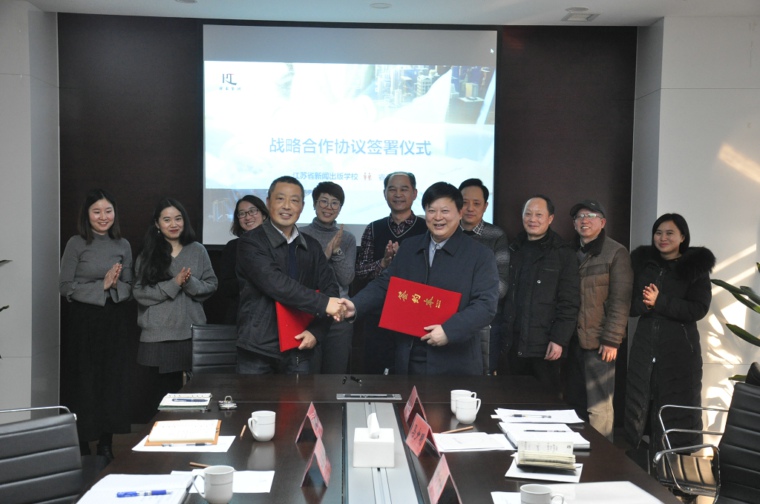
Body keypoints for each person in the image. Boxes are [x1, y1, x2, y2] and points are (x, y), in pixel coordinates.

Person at [340, 182, 499, 375]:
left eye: (445, 211)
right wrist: (356, 305)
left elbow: (485, 305)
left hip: (455, 360)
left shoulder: (480, 255)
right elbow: (386, 285)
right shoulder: (409, 247)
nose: (438, 217)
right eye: (431, 211)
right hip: (409, 356)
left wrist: (449, 330)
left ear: (460, 212)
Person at [625, 213, 715, 451]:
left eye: (669, 233)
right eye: (658, 233)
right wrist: (646, 305)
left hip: (679, 349)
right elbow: (629, 306)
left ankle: (676, 463)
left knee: (677, 405)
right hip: (645, 346)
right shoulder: (643, 264)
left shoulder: (695, 268)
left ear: (683, 237)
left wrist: (660, 301)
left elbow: (698, 308)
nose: (662, 238)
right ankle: (641, 460)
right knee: (640, 402)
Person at [235, 176, 342, 374]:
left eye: (294, 200)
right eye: (280, 199)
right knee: (252, 397)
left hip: (299, 347)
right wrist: (324, 303)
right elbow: (276, 284)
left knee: (300, 396)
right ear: (268, 203)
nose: (287, 206)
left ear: (302, 206)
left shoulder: (312, 246)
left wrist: (316, 332)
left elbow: (331, 289)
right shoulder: (250, 242)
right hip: (258, 349)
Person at [59, 189, 132, 460]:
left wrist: (114, 286)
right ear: (87, 215)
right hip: (82, 320)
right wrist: (101, 285)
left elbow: (130, 285)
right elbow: (64, 286)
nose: (103, 217)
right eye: (97, 211)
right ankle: (80, 442)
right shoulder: (76, 243)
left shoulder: (123, 244)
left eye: (108, 211)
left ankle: (106, 443)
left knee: (110, 380)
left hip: (113, 319)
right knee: (83, 380)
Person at [133, 198, 218, 407]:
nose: (174, 224)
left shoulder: (197, 250)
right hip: (158, 336)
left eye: (178, 218)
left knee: (192, 397)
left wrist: (188, 282)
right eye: (167, 219)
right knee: (159, 398)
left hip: (190, 334)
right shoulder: (148, 253)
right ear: (157, 224)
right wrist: (174, 284)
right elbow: (140, 293)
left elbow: (211, 285)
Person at [565, 199, 633, 441]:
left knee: (599, 408)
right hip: (572, 340)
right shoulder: (569, 252)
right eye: (579, 217)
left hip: (600, 341)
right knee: (574, 403)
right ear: (574, 224)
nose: (585, 220)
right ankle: (578, 453)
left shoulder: (616, 252)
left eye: (591, 216)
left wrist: (612, 339)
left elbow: (621, 300)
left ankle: (604, 458)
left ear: (602, 222)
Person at [499, 195, 580, 394]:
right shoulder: (513, 248)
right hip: (511, 344)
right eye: (528, 214)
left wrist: (559, 340)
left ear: (550, 218)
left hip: (544, 347)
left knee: (544, 403)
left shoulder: (563, 253)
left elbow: (569, 302)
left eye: (538, 215)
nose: (532, 219)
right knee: (509, 400)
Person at [355, 172, 427, 373]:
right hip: (378, 314)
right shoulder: (373, 228)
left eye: (404, 189)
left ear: (414, 193)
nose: (398, 194)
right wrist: (384, 263)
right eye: (392, 189)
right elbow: (360, 272)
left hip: (414, 313)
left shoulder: (427, 228)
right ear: (384, 193)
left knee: (410, 371)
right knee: (375, 372)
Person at [301, 181, 357, 374]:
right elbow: (303, 277)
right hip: (310, 313)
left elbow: (346, 279)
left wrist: (337, 250)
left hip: (338, 317)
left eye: (335, 203)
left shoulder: (347, 238)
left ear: (340, 208)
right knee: (309, 376)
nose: (328, 207)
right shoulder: (301, 234)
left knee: (336, 376)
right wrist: (325, 254)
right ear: (314, 204)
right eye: (323, 201)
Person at [458, 178, 509, 374]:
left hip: (485, 321)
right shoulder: (447, 233)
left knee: (482, 376)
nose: (470, 208)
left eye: (477, 203)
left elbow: (501, 285)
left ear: (486, 206)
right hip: (449, 318)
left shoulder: (496, 235)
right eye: (464, 202)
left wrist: (469, 302)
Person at [218, 195, 269, 324]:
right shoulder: (232, 247)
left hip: (271, 314)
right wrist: (253, 280)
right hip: (241, 314)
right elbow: (225, 287)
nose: (248, 217)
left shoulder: (276, 245)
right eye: (242, 213)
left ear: (264, 215)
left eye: (252, 211)